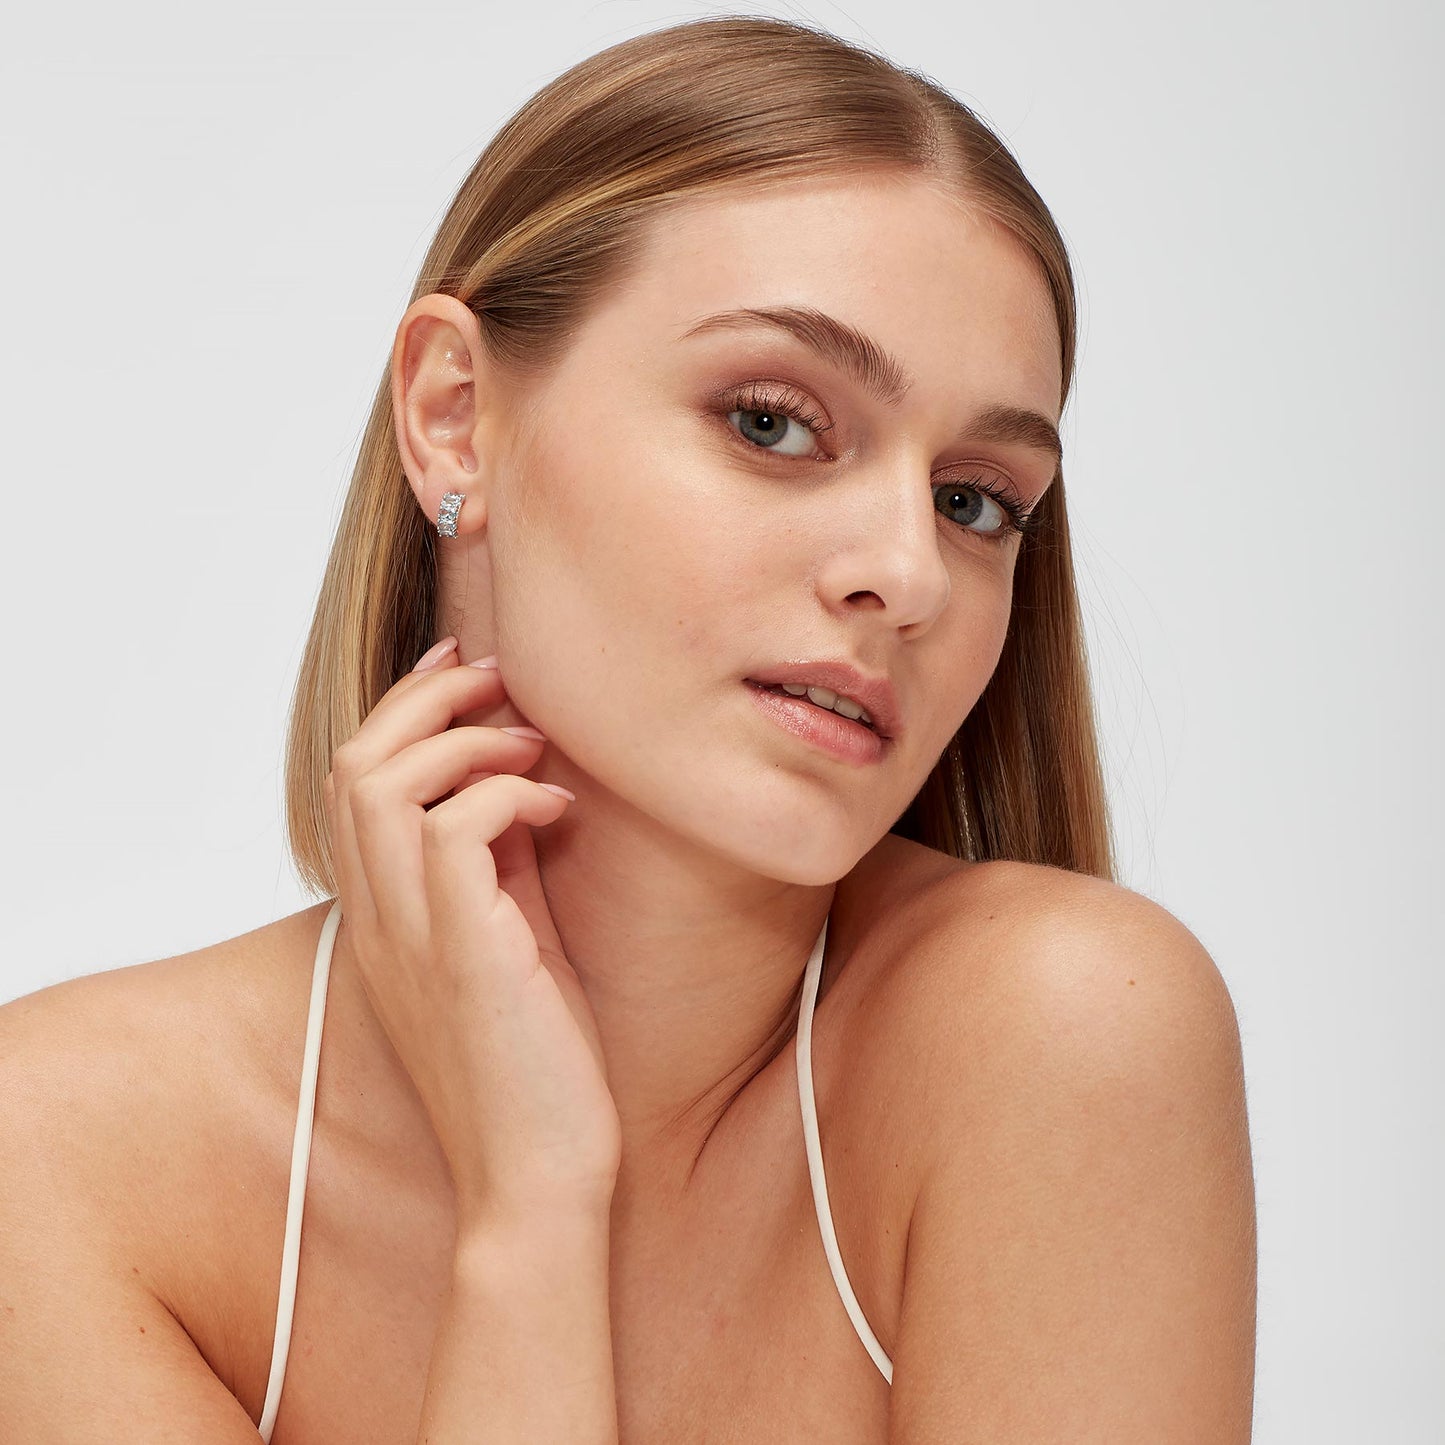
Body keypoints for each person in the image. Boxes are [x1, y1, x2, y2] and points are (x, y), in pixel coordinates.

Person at [0, 15, 1257, 1442]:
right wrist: (531, 1209)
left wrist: (527, 1209)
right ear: (455, 415)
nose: (908, 574)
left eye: (974, 501)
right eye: (772, 422)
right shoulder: (56, 1158)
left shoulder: (1061, 1036)